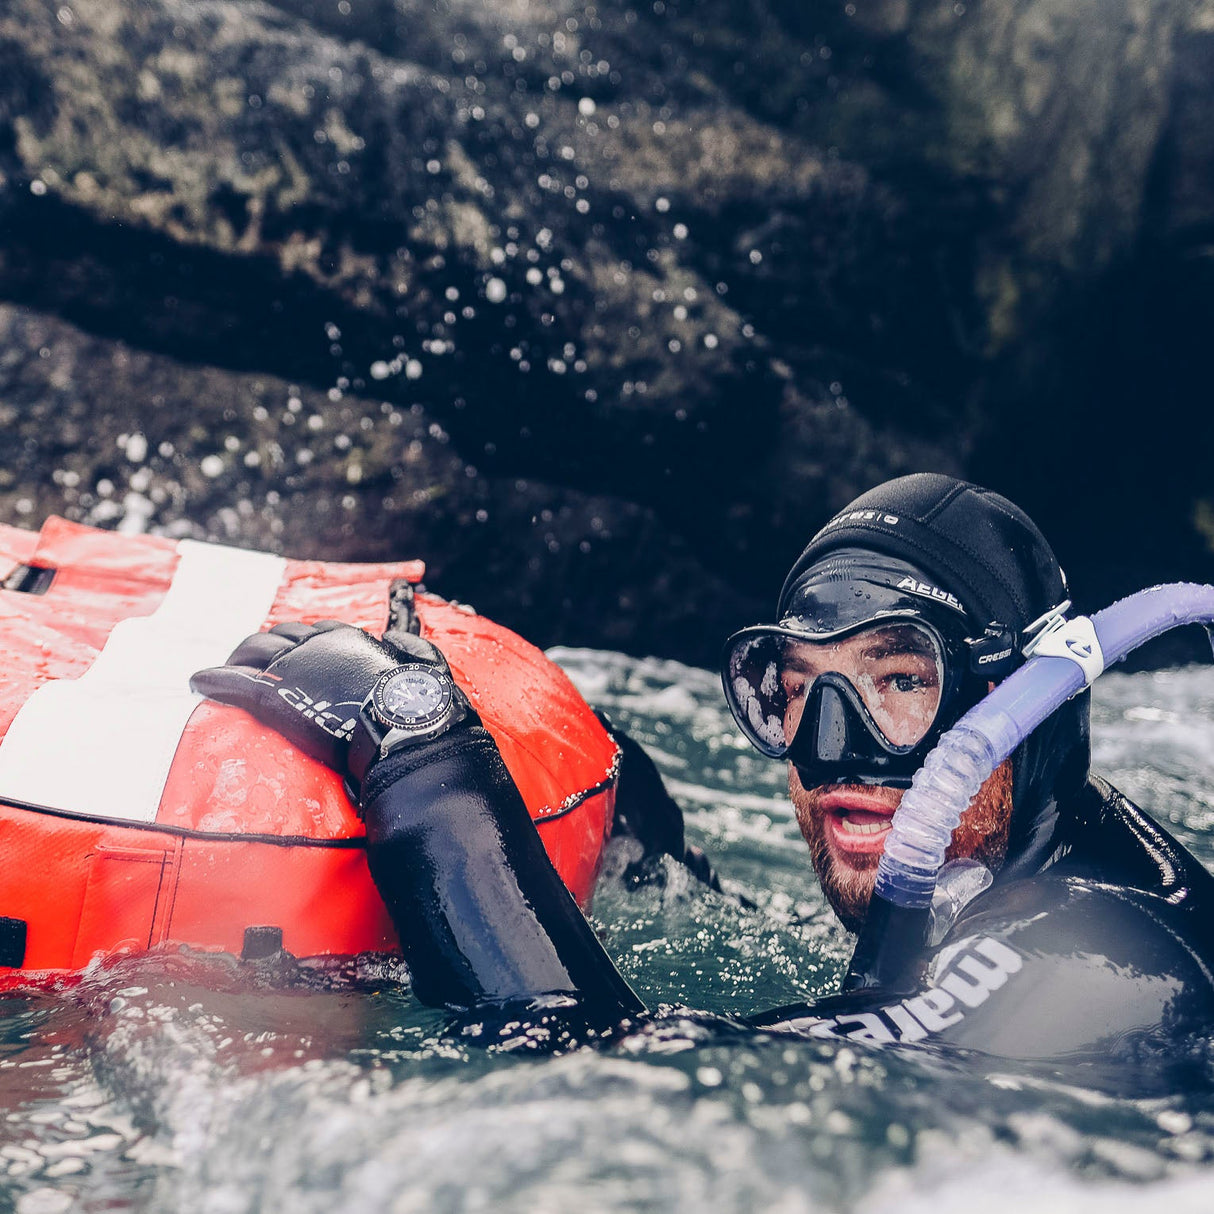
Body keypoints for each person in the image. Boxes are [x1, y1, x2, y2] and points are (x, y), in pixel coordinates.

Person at [192, 474, 1214, 1075]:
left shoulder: (1091, 955)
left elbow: (609, 1097)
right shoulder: (1020, 862)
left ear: (1030, 707)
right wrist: (644, 844)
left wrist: (423, 761)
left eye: (897, 678)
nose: (826, 748)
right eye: (795, 687)